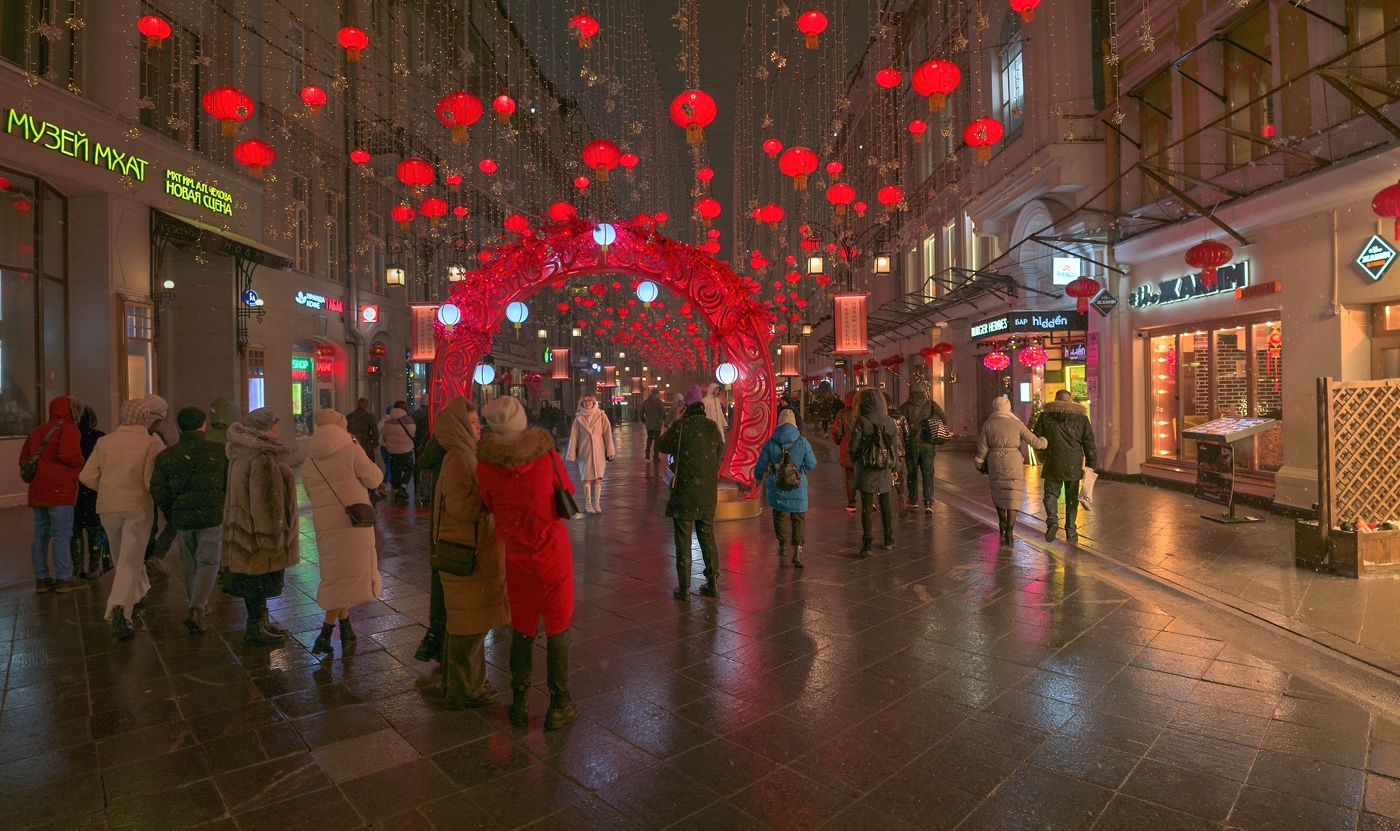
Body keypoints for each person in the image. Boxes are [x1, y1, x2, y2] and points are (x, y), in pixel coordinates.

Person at [476, 396, 579, 730]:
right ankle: (559, 703)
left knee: (521, 630)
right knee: (557, 627)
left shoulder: (486, 465)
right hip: (551, 554)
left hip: (516, 555)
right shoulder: (546, 456)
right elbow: (568, 488)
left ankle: (519, 703)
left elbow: (487, 503)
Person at [433, 398, 509, 708]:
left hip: (473, 549)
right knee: (469, 626)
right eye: (474, 422)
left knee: (469, 623)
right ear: (461, 425)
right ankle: (466, 690)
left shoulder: (465, 454)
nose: (479, 427)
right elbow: (461, 507)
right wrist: (493, 494)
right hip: (467, 552)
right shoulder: (458, 458)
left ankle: (462, 684)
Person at [303, 409, 384, 656]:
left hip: (326, 524)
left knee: (337, 574)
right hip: (353, 523)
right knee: (346, 576)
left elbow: (309, 491)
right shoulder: (351, 448)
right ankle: (326, 633)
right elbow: (375, 478)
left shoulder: (311, 459)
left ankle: (346, 628)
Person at [80, 399, 162, 640]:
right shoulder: (151, 442)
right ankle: (119, 610)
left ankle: (139, 592)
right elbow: (150, 481)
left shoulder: (105, 442)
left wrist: (107, 489)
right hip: (137, 506)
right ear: (145, 417)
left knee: (123, 558)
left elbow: (86, 476)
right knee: (130, 559)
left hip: (108, 506)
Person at [222, 408, 299, 647]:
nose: (278, 427)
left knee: (253, 582)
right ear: (264, 428)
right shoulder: (263, 457)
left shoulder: (242, 452)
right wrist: (272, 538)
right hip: (259, 533)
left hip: (244, 529)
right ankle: (256, 628)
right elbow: (266, 501)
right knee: (260, 582)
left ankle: (259, 623)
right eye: (275, 423)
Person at [150, 407, 228, 635]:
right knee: (209, 562)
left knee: (190, 563)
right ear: (203, 425)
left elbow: (158, 488)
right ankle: (197, 607)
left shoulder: (167, 456)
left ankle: (197, 604)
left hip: (183, 518)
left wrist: (171, 510)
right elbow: (227, 483)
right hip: (211, 516)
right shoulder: (219, 451)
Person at [656, 385, 725, 599]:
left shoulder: (681, 427)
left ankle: (684, 588)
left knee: (683, 539)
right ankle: (712, 583)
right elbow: (718, 452)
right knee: (707, 538)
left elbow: (662, 445)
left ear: (685, 407)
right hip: (706, 491)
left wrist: (677, 421)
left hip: (684, 492)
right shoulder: (712, 427)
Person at [21, 396, 86, 594]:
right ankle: (64, 578)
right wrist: (81, 459)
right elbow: (68, 456)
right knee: (61, 534)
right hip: (60, 491)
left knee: (41, 534)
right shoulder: (69, 429)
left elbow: (24, 458)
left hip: (39, 490)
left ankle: (42, 579)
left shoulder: (37, 431)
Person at [976, 396, 1048, 545]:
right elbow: (1036, 443)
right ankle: (1010, 529)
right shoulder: (1017, 424)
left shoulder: (988, 425)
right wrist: (1045, 440)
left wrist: (979, 463)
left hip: (995, 462)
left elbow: (982, 448)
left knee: (999, 494)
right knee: (1013, 496)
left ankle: (1002, 522)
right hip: (1014, 461)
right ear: (1008, 407)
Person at [753, 409, 817, 568]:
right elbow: (811, 464)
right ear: (794, 423)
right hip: (797, 484)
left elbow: (761, 464)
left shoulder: (770, 442)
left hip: (777, 484)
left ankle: (782, 544)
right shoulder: (802, 442)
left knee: (779, 514)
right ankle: (797, 550)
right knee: (798, 517)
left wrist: (758, 477)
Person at [1034, 390, 1098, 543]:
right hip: (1073, 464)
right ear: (1070, 401)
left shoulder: (1046, 416)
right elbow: (1089, 442)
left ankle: (1053, 521)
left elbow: (1037, 440)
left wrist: (1043, 458)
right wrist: (1091, 463)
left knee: (1050, 495)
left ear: (1056, 400)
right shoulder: (1081, 418)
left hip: (1053, 462)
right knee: (1071, 499)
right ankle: (1071, 531)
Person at [848, 389, 899, 559]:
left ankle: (867, 544)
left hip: (866, 467)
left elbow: (853, 446)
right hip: (884, 467)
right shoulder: (890, 421)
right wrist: (895, 469)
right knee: (885, 504)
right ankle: (888, 539)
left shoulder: (862, 421)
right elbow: (895, 448)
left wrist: (856, 458)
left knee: (867, 506)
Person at [143, 394, 179, 573]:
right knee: (175, 518)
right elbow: (175, 451)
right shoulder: (165, 426)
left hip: (140, 480)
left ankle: (146, 559)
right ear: (159, 410)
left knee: (150, 522)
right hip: (161, 479)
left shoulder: (137, 426)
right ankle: (156, 555)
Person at [73, 405, 109, 579]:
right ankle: (94, 565)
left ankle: (77, 567)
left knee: (76, 529)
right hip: (93, 490)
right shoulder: (99, 438)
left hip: (74, 490)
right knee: (94, 528)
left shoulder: (70, 436)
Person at [565, 394, 615, 514]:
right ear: (581, 403)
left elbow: (608, 434)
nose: (587, 403)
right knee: (586, 477)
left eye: (589, 401)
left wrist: (610, 451)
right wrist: (571, 454)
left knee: (598, 477)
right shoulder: (578, 419)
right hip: (585, 451)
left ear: (594, 402)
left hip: (599, 451)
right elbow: (574, 438)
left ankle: (597, 503)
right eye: (585, 401)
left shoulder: (601, 416)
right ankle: (588, 504)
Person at [900, 387, 947, 514]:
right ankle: (928, 502)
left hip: (912, 445)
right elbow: (944, 419)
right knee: (928, 473)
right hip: (928, 445)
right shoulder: (931, 404)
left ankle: (913, 500)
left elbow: (900, 426)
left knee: (912, 473)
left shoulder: (905, 407)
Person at [379, 400, 417, 503]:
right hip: (406, 450)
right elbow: (413, 434)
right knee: (409, 469)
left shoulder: (389, 422)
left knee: (395, 471)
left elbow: (385, 437)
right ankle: (403, 487)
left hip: (392, 451)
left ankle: (396, 490)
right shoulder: (409, 420)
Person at [830, 391, 858, 512]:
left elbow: (836, 430)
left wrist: (839, 441)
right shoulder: (863, 412)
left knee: (850, 475)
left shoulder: (842, 414)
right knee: (865, 474)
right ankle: (869, 501)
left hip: (848, 446)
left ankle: (851, 503)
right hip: (862, 447)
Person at [885, 392, 911, 519]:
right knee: (899, 475)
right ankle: (901, 495)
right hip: (899, 452)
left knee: (884, 475)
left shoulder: (882, 417)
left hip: (884, 452)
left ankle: (883, 502)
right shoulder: (900, 416)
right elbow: (907, 434)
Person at [640, 389, 666, 460]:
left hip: (649, 423)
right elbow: (663, 413)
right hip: (657, 424)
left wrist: (644, 420)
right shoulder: (659, 402)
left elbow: (641, 412)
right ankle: (656, 456)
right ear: (656, 394)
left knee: (649, 437)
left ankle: (647, 451)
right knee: (657, 440)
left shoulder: (646, 402)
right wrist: (665, 420)